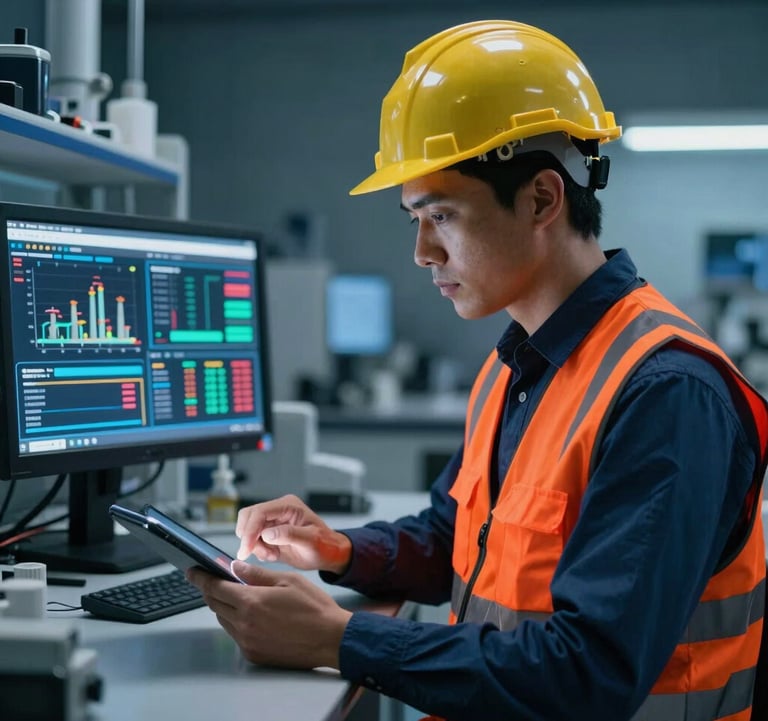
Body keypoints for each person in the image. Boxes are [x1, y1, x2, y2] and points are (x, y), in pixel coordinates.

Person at [188, 20, 768, 721]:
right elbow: (455, 539)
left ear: (542, 199)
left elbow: (588, 672)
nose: (422, 252)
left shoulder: (666, 393)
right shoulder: (515, 363)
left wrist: (340, 639)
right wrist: (339, 549)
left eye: (442, 215)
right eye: (414, 220)